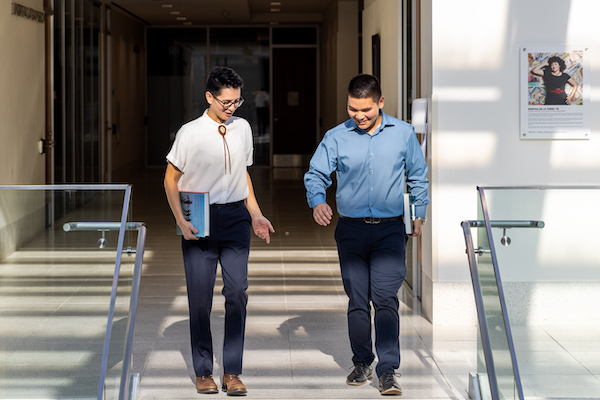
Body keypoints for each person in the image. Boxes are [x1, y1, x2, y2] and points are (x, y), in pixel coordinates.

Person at [304, 74, 430, 396]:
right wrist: (318, 201)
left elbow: (418, 176)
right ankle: (362, 361)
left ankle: (388, 370)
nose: (359, 116)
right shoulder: (336, 137)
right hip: (351, 230)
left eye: (366, 110)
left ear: (381, 103)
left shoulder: (402, 134)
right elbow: (316, 174)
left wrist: (419, 213)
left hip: (390, 230)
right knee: (358, 300)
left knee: (386, 299)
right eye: (352, 109)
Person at [164, 66, 274, 396]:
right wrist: (180, 221)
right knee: (200, 299)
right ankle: (203, 371)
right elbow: (170, 179)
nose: (231, 108)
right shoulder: (190, 132)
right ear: (209, 97)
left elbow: (243, 175)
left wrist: (255, 214)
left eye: (237, 102)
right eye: (226, 102)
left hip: (236, 218)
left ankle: (232, 372)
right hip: (199, 216)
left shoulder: (242, 128)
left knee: (237, 293)